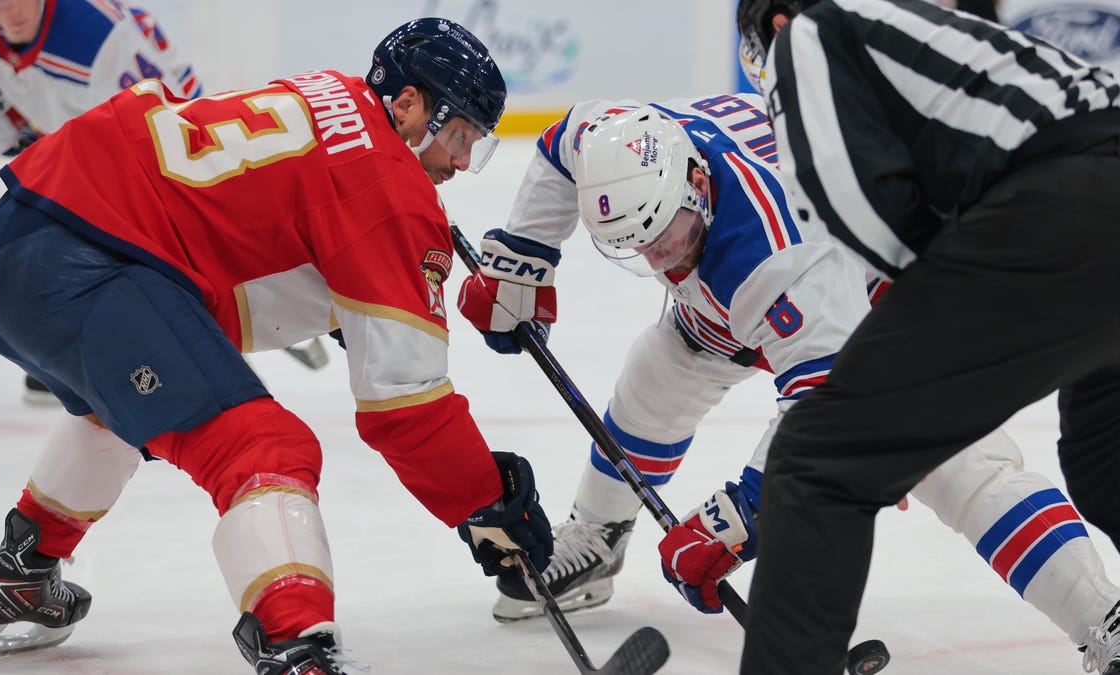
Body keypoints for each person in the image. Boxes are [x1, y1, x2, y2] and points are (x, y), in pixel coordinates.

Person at [0, 17, 554, 675]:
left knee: (123, 410)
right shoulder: (393, 189)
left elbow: (258, 220)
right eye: (459, 134)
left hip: (10, 242)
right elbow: (404, 409)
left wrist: (353, 297)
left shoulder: (329, 94)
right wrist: (485, 501)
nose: (462, 161)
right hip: (84, 265)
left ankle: (25, 572)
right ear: (409, 103)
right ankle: (296, 646)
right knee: (265, 449)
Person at [456, 94, 1120, 670]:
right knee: (656, 373)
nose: (660, 261)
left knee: (962, 468)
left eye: (667, 238)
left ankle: (1105, 618)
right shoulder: (621, 139)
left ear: (695, 183)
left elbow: (827, 415)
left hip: (899, 299)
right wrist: (524, 257)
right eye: (640, 248)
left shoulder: (774, 256)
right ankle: (599, 537)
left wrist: (737, 521)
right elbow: (559, 139)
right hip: (772, 296)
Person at [717, 0, 1120, 672]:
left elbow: (853, 199)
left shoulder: (812, 34)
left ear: (778, 24)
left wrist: (898, 395)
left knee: (817, 459)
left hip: (1069, 206)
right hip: (1090, 183)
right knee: (1106, 459)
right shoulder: (934, 37)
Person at [0, 0, 202, 405]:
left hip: (164, 134)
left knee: (132, 246)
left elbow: (170, 135)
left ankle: (182, 350)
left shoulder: (98, 41)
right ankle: (82, 359)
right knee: (44, 240)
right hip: (86, 119)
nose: (13, 12)